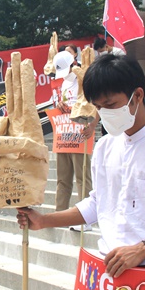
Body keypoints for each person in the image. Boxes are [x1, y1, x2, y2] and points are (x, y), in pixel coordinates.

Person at [17, 55, 145, 290]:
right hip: (105, 272)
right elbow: (98, 204)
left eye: (110, 105)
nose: (103, 113)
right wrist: (43, 220)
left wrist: (142, 248)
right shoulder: (104, 147)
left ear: (137, 96)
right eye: (98, 107)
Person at [52, 51, 93, 222]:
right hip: (64, 134)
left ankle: (85, 217)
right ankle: (59, 214)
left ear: (73, 63)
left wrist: (93, 125)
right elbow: (63, 103)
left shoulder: (85, 79)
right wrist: (60, 104)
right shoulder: (63, 84)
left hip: (81, 133)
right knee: (63, 177)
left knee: (82, 177)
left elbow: (94, 103)